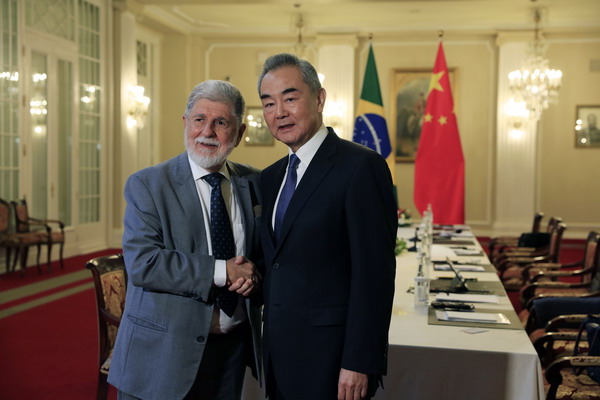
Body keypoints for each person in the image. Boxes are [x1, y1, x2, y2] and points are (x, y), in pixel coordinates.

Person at [108, 80, 263, 400]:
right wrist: (224, 271)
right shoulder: (148, 185)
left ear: (240, 132)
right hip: (162, 357)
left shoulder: (255, 182)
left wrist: (253, 273)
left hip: (232, 354)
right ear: (185, 123)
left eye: (221, 122)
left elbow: (263, 254)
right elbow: (144, 264)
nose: (207, 131)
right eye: (199, 119)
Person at [256, 53, 397, 400]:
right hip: (277, 354)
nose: (280, 112)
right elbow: (276, 260)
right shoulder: (270, 178)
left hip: (333, 362)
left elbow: (374, 276)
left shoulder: (361, 167)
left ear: (319, 99)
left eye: (290, 98)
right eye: (269, 103)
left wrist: (360, 362)